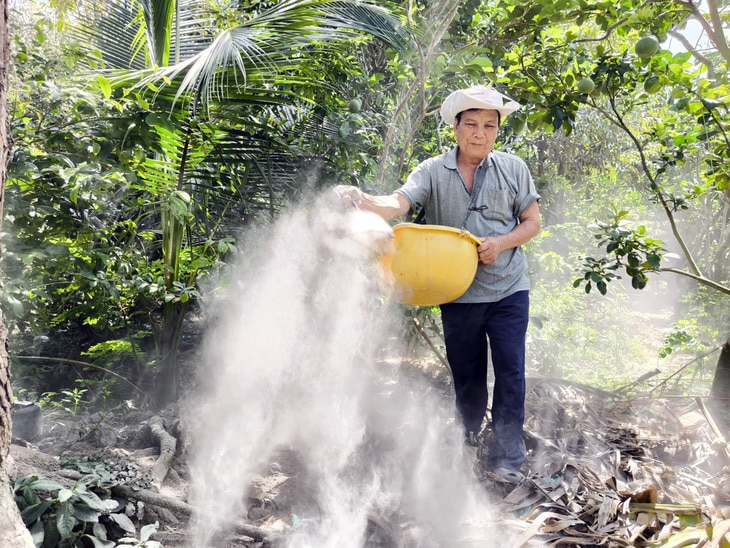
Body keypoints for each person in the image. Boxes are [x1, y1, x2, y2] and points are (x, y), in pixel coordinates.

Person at [335, 85, 541, 484]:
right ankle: (466, 438)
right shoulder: (432, 171)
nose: (479, 133)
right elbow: (398, 203)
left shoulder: (514, 168)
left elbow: (532, 222)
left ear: (497, 131)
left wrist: (501, 242)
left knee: (511, 370)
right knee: (467, 373)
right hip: (457, 289)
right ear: (456, 128)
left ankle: (508, 455)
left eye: (488, 126)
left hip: (509, 287)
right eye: (471, 125)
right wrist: (362, 199)